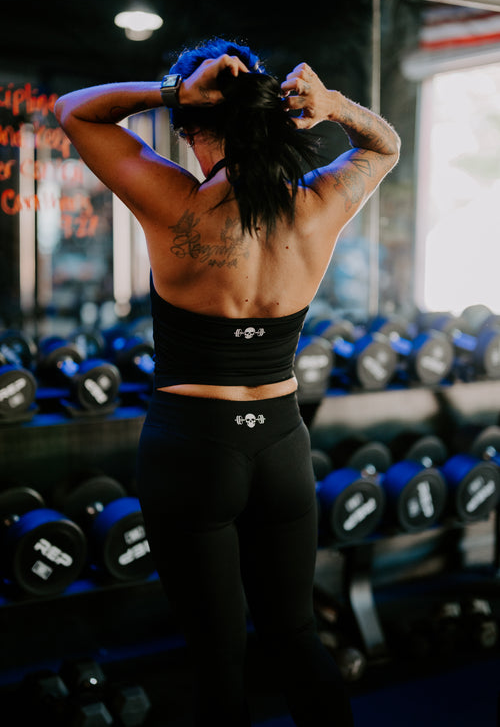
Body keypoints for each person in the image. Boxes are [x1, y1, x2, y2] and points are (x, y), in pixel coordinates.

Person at [55, 37, 400, 727]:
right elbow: (385, 146)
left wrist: (173, 92)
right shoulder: (319, 202)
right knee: (295, 635)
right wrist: (332, 105)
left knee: (218, 658)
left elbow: (73, 111)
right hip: (282, 444)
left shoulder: (175, 202)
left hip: (194, 444)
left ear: (188, 128)